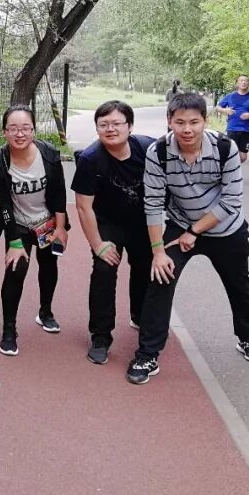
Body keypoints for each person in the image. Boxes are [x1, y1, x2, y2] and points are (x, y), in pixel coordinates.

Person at [126, 92, 249, 385]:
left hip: (225, 228)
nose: (187, 129)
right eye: (180, 122)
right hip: (180, 223)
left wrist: (194, 232)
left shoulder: (225, 148)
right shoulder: (158, 152)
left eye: (194, 122)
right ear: (169, 121)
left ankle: (248, 337)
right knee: (160, 278)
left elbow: (231, 201)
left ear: (205, 121)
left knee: (239, 285)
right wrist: (158, 252)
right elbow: (152, 203)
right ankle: (147, 354)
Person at [71, 101, 155, 366]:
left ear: (130, 126)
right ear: (96, 128)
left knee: (144, 268)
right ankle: (100, 337)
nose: (110, 129)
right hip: (107, 222)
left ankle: (140, 316)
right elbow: (83, 207)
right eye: (103, 124)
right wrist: (98, 245)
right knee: (104, 270)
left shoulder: (148, 149)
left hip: (142, 221)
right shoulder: (90, 159)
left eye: (117, 123)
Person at [0, 106, 69, 356]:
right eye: (13, 129)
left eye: (25, 128)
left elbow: (59, 193)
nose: (19, 134)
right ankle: (9, 330)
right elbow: (4, 205)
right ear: (4, 132)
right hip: (18, 224)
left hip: (46, 221)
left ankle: (45, 312)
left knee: (49, 265)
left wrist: (61, 227)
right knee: (16, 270)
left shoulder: (49, 154)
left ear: (33, 130)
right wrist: (13, 241)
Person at [216, 75, 249, 163]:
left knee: (243, 157)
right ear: (237, 83)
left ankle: (234, 167)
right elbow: (218, 107)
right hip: (232, 129)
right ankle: (232, 170)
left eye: (246, 81)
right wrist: (225, 110)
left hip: (246, 130)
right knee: (231, 153)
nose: (243, 82)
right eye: (241, 80)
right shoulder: (230, 96)